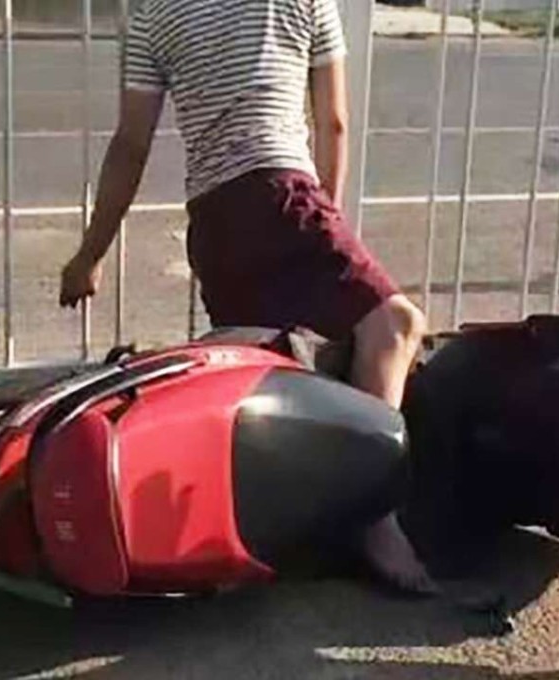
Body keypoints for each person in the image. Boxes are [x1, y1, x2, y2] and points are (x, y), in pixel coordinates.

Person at [59, 0, 434, 593]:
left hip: (213, 224)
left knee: (265, 377)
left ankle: (274, 525)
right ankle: (374, 515)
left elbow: (130, 144)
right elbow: (333, 122)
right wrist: (324, 220)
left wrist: (89, 256)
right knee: (394, 325)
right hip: (285, 193)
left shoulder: (153, 13)